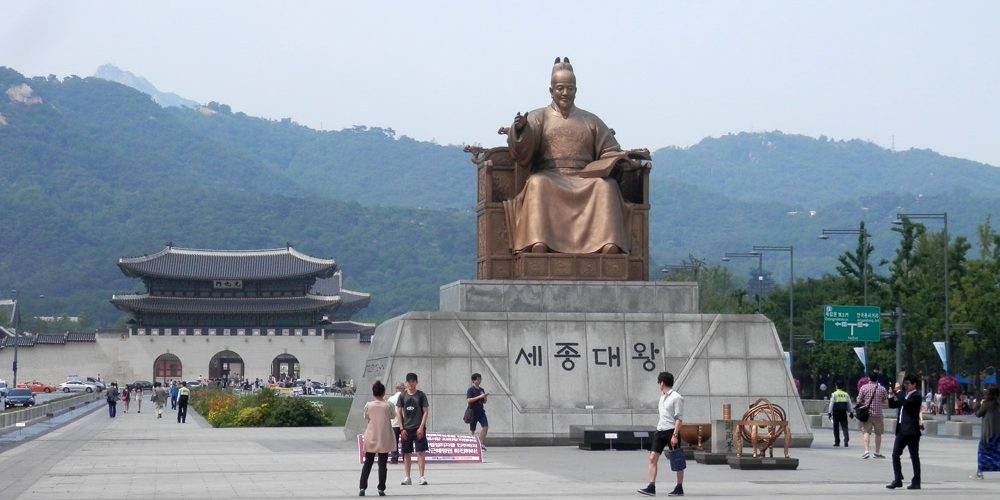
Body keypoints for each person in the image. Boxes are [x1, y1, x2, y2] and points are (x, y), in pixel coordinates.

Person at [504, 57, 633, 255]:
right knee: (538, 183)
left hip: (584, 177)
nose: (565, 93)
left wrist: (621, 157)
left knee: (606, 186)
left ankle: (607, 243)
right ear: (551, 90)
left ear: (576, 90)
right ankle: (539, 241)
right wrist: (521, 130)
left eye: (570, 88)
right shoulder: (539, 117)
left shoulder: (591, 120)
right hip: (550, 175)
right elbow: (522, 151)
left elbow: (609, 149)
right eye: (560, 88)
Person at [638, 371, 685, 497]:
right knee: (652, 457)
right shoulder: (662, 397)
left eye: (659, 382)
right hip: (660, 431)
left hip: (671, 431)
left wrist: (675, 435)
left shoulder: (677, 397)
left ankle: (679, 487)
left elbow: (679, 418)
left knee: (677, 460)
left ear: (662, 383)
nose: (658, 385)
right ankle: (651, 486)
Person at [886, 373, 922, 489]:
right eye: (905, 383)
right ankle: (898, 479)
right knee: (895, 454)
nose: (905, 385)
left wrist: (898, 392)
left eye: (908, 384)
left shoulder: (916, 395)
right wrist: (891, 394)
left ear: (914, 384)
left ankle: (916, 481)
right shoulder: (905, 395)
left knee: (914, 456)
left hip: (912, 430)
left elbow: (907, 404)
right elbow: (893, 405)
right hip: (902, 429)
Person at [359, 380, 396, 497]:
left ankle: (362, 487)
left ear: (373, 392)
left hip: (371, 436)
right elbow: (393, 416)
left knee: (368, 463)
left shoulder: (368, 405)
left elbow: (366, 416)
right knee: (382, 464)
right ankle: (381, 488)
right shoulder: (388, 405)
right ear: (383, 392)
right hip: (383, 437)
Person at [396, 372, 429, 486]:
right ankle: (407, 477)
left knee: (420, 452)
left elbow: (426, 412)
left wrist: (421, 427)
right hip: (406, 429)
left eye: (413, 381)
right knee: (407, 453)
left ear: (416, 382)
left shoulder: (421, 395)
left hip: (418, 428)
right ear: (406, 383)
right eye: (409, 381)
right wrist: (401, 428)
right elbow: (398, 412)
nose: (411, 384)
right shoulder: (402, 396)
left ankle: (422, 477)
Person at [857, 372, 890, 459]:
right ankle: (877, 452)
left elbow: (858, 400)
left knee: (866, 432)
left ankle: (866, 451)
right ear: (877, 379)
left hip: (867, 414)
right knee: (878, 433)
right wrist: (879, 402)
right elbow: (886, 402)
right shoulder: (882, 388)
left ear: (869, 378)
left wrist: (865, 402)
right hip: (878, 414)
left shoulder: (864, 387)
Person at [973, 386, 1000, 479]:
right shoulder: (998, 403)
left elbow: (978, 414)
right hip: (998, 432)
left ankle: (980, 473)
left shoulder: (987, 403)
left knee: (983, 453)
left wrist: (977, 406)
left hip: (988, 433)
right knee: (997, 452)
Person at [466, 373, 490, 450]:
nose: (479, 380)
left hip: (481, 412)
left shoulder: (481, 390)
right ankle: (470, 445)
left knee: (485, 427)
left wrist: (485, 397)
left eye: (480, 379)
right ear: (473, 380)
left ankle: (480, 443)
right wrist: (479, 396)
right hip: (473, 411)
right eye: (478, 379)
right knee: (472, 429)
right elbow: (468, 400)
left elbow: (484, 402)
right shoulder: (470, 390)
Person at [827, 380, 854, 447]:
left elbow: (831, 404)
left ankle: (837, 442)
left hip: (836, 413)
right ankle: (846, 441)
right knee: (845, 427)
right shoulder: (846, 394)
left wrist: (829, 412)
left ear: (836, 386)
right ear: (842, 386)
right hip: (843, 413)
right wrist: (851, 412)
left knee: (836, 428)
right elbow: (849, 404)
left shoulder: (834, 394)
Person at [387, 382, 405, 464]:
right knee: (405, 441)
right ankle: (406, 458)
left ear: (396, 389)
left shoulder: (391, 399)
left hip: (393, 423)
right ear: (403, 389)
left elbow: (388, 412)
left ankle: (394, 458)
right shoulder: (405, 397)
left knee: (394, 442)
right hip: (404, 423)